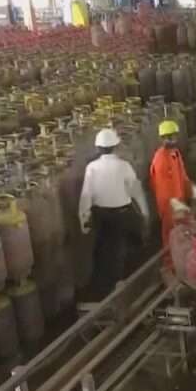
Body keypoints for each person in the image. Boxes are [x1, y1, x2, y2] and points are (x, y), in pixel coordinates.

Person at [78, 128, 150, 298]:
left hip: (101, 216)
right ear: (116, 146)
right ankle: (131, 285)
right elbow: (136, 191)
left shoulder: (91, 168)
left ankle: (106, 290)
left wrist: (83, 218)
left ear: (98, 148)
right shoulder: (124, 166)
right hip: (123, 214)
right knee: (128, 248)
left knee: (104, 252)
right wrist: (144, 212)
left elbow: (86, 195)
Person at [149, 120, 196, 266]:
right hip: (169, 205)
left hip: (179, 199)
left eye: (174, 136)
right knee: (171, 234)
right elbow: (162, 187)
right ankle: (170, 263)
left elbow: (182, 175)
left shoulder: (175, 153)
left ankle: (184, 259)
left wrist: (191, 189)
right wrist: (175, 204)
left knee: (183, 231)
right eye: (168, 137)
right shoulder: (161, 159)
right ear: (162, 139)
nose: (172, 140)